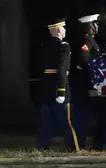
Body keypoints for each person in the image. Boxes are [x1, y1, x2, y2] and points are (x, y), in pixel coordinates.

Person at [36, 18, 80, 151]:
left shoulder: (44, 45)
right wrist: (61, 90)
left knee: (46, 123)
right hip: (58, 88)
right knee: (67, 122)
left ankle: (42, 148)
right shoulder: (63, 46)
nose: (65, 30)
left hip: (46, 89)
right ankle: (74, 148)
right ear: (58, 29)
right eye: (63, 27)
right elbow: (62, 69)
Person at [70, 13, 101, 149]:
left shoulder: (90, 40)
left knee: (86, 115)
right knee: (82, 115)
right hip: (83, 83)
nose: (97, 26)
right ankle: (79, 144)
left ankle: (82, 143)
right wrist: (93, 71)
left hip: (86, 83)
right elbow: (83, 59)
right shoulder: (87, 41)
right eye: (95, 23)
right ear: (90, 26)